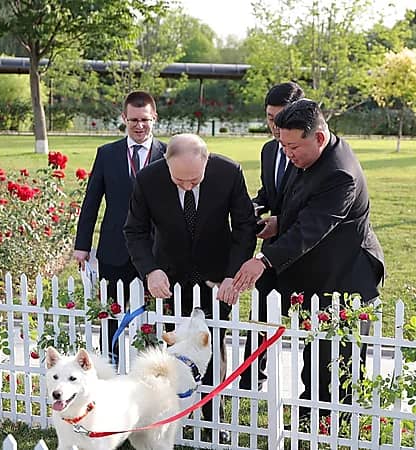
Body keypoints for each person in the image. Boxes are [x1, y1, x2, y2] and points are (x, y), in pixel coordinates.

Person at [232, 99, 385, 419]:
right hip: (315, 270)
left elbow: (311, 229)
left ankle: (335, 419)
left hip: (346, 275)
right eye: (282, 145)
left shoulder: (340, 174)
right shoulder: (307, 157)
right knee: (315, 352)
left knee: (334, 357)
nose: (287, 153)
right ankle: (310, 411)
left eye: (292, 146)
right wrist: (277, 222)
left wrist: (263, 260)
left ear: (318, 137)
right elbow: (298, 207)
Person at [124, 133, 257, 427]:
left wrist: (231, 276)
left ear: (206, 162)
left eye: (194, 180)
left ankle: (213, 418)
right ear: (166, 164)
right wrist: (150, 270)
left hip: (217, 280)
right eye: (179, 180)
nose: (186, 186)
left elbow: (245, 226)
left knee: (211, 346)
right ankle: (171, 416)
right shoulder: (148, 179)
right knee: (171, 349)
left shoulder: (229, 173)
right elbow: (134, 230)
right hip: (168, 279)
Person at [73, 91, 166, 359]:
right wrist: (82, 245)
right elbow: (92, 201)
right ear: (124, 118)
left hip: (154, 249)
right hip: (114, 248)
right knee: (111, 312)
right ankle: (110, 362)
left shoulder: (168, 153)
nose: (139, 125)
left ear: (154, 118)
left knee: (152, 313)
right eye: (133, 119)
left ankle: (150, 364)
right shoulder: (107, 154)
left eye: (145, 120)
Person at [241, 81, 304, 391]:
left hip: (306, 249)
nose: (276, 127)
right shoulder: (268, 150)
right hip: (271, 248)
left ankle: (312, 391)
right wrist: (250, 207)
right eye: (269, 118)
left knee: (309, 326)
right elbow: (269, 193)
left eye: (282, 118)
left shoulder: (309, 151)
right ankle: (252, 379)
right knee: (259, 317)